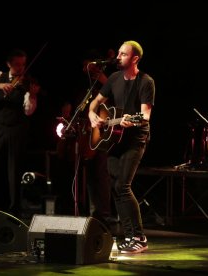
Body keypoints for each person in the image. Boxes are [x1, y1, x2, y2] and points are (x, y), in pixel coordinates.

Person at [88, 40, 155, 253]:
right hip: (115, 139)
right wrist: (92, 117)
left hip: (135, 139)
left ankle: (139, 237)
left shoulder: (146, 82)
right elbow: (94, 103)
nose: (118, 57)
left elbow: (145, 116)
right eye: (118, 53)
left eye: (123, 54)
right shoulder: (115, 78)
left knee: (122, 186)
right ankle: (129, 236)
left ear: (135, 59)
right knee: (116, 188)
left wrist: (132, 121)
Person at [0, 48, 41, 215]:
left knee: (14, 171)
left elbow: (28, 111)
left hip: (17, 129)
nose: (21, 68)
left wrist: (32, 95)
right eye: (17, 65)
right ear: (9, 64)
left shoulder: (27, 82)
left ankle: (15, 211)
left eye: (23, 65)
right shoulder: (0, 76)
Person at [56, 48, 115, 224]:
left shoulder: (108, 80)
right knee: (90, 173)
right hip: (86, 131)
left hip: (103, 131)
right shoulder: (85, 84)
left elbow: (116, 97)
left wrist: (103, 79)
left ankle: (104, 214)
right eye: (83, 67)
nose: (85, 70)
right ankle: (91, 212)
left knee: (100, 174)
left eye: (87, 66)